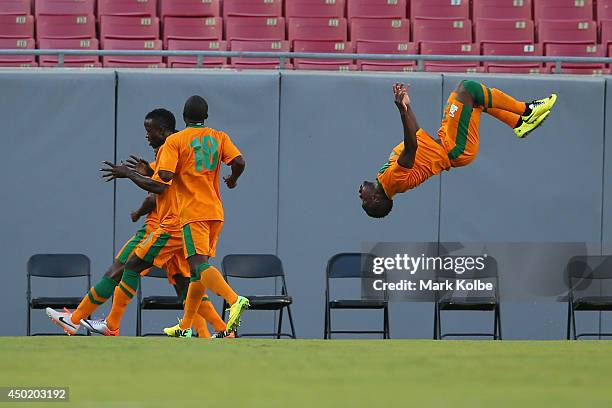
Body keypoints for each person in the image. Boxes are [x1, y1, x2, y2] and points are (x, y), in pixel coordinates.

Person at [359, 80, 557, 218]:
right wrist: (402, 112)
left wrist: (407, 107)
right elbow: (411, 147)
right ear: (376, 200)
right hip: (455, 148)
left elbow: (417, 134)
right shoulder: (390, 182)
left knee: (475, 100)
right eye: (364, 203)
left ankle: (518, 123)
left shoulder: (384, 177)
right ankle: (526, 110)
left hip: (447, 138)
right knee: (468, 89)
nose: (360, 196)